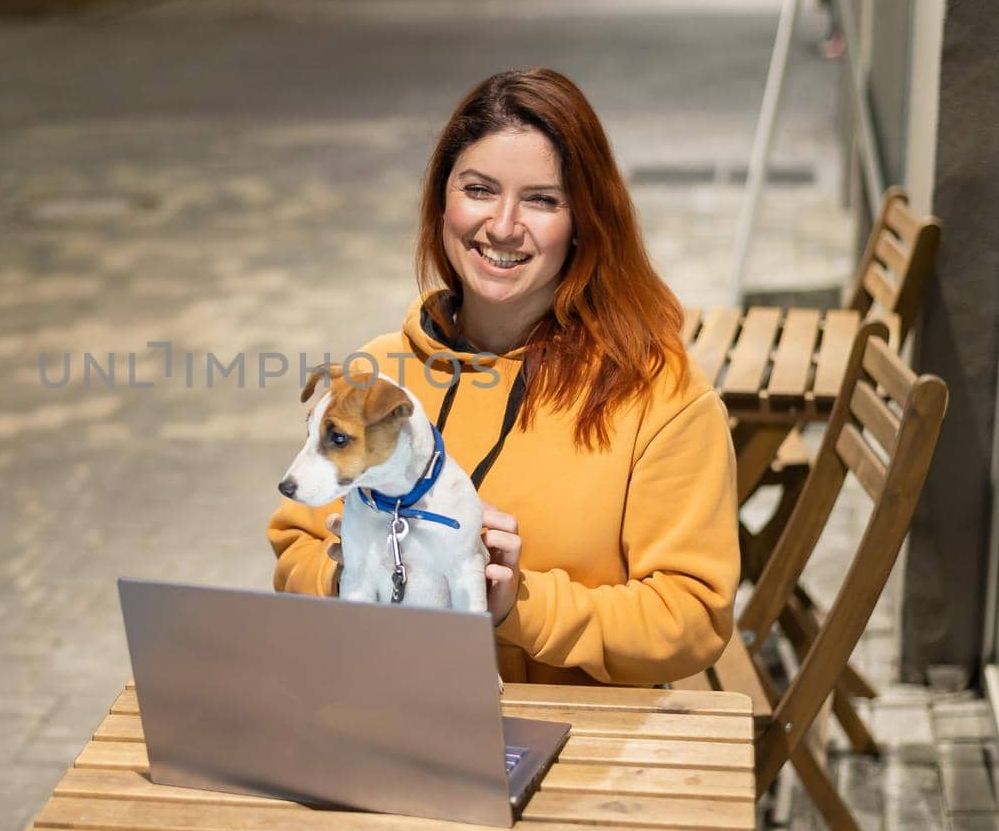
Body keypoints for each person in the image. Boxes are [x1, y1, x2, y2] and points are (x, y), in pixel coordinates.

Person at [266, 68, 739, 687]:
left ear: (584, 223)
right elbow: (295, 547)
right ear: (443, 201)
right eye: (480, 189)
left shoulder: (658, 394)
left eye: (543, 200)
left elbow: (692, 616)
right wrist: (356, 573)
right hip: (389, 709)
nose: (504, 225)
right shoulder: (378, 374)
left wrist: (520, 604)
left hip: (572, 736)